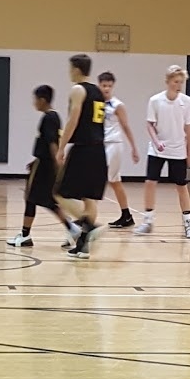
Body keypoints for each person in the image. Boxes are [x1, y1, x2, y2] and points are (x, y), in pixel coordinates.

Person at [7, 85, 82, 249]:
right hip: (43, 163)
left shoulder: (48, 118)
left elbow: (52, 143)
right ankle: (71, 228)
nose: (34, 103)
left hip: (45, 165)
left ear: (42, 100)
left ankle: (26, 235)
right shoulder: (55, 117)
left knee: (30, 197)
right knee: (47, 200)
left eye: (35, 99)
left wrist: (57, 164)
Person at [134, 65, 190, 239]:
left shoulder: (187, 102)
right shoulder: (155, 100)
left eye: (180, 82)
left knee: (181, 186)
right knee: (150, 182)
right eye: (175, 82)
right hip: (157, 149)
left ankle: (188, 224)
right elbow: (150, 124)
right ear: (167, 81)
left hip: (178, 150)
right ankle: (147, 221)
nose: (178, 85)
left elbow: (189, 129)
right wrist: (156, 141)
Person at [56, 54, 108, 259]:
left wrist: (61, 147)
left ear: (76, 69)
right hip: (99, 149)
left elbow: (73, 119)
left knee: (59, 193)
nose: (69, 72)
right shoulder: (98, 91)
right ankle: (83, 246)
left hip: (84, 148)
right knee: (89, 198)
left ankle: (90, 226)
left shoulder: (78, 89)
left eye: (70, 68)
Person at [98, 71, 141, 228]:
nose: (107, 89)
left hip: (114, 144)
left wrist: (134, 148)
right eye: (104, 85)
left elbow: (126, 126)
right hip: (101, 144)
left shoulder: (117, 105)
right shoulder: (96, 103)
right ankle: (126, 215)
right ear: (99, 85)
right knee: (115, 182)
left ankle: (87, 217)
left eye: (109, 86)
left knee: (100, 178)